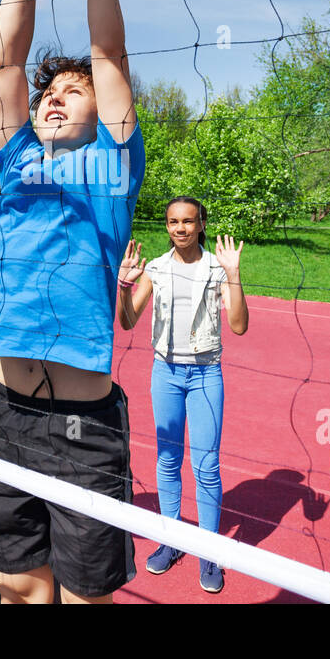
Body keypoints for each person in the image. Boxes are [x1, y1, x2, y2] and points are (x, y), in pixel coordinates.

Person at [0, 0, 146, 604]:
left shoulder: (113, 166)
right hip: (6, 408)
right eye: (51, 90)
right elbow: (6, 60)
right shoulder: (15, 162)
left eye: (73, 93)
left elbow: (109, 52)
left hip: (83, 427)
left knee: (81, 598)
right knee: (17, 586)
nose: (54, 97)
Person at [116, 196, 247, 594]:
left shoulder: (217, 268)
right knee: (167, 458)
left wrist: (235, 275)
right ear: (167, 225)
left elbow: (239, 326)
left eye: (188, 221)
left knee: (206, 465)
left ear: (201, 223)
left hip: (206, 373)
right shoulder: (155, 269)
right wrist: (124, 285)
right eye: (173, 221)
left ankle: (208, 551)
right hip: (165, 373)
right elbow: (126, 321)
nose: (180, 228)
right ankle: (170, 540)